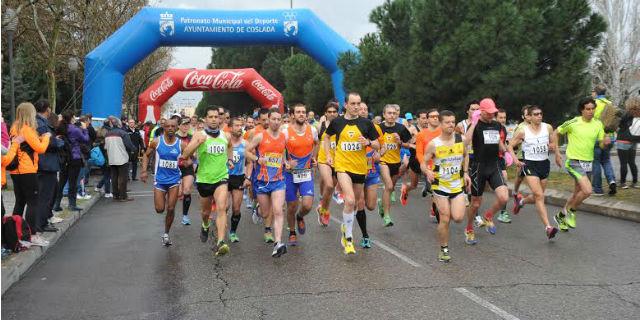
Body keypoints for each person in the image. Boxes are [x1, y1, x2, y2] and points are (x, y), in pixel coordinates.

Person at [324, 92, 380, 255]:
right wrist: (328, 155)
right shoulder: (337, 122)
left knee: (355, 203)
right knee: (349, 200)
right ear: (346, 105)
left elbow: (377, 144)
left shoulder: (366, 123)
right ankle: (348, 239)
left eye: (358, 103)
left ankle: (345, 227)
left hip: (360, 168)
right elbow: (326, 138)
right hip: (342, 166)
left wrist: (368, 142)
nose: (356, 107)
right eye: (353, 104)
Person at [183, 107, 233, 256]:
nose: (213, 119)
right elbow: (185, 154)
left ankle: (221, 242)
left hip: (221, 177)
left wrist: (229, 159)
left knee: (222, 208)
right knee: (205, 212)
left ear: (220, 119)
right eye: (210, 117)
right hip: (204, 179)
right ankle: (205, 225)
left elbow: (229, 147)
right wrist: (197, 143)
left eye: (216, 117)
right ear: (205, 119)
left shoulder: (226, 136)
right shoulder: (199, 134)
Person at [421, 110, 471, 262]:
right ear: (441, 124)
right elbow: (423, 162)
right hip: (440, 186)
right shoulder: (434, 144)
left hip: (457, 185)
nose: (451, 125)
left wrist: (466, 172)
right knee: (445, 218)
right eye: (447, 122)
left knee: (458, 218)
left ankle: (446, 209)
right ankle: (444, 249)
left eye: (453, 122)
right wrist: (428, 172)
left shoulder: (460, 140)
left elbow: (466, 154)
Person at [554, 97, 609, 231]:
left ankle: (561, 216)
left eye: (593, 109)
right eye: (588, 109)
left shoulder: (598, 124)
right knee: (588, 190)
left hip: (588, 162)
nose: (591, 111)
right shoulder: (574, 122)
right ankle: (572, 212)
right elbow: (556, 132)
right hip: (573, 162)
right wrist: (556, 153)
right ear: (581, 110)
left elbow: (601, 144)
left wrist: (605, 142)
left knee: (577, 194)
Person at [507, 105, 560, 239]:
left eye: (540, 114)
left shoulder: (547, 127)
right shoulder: (523, 131)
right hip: (530, 164)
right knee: (539, 195)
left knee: (538, 196)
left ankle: (521, 202)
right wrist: (515, 160)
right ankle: (548, 227)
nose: (539, 116)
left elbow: (553, 141)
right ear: (529, 117)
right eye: (536, 114)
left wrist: (556, 151)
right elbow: (509, 146)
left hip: (544, 164)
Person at [245, 108, 288, 257]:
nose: (276, 122)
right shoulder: (260, 136)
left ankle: (278, 243)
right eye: (273, 119)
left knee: (278, 210)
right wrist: (257, 159)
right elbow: (246, 151)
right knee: (266, 213)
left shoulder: (283, 137)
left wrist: (286, 162)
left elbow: (282, 153)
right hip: (262, 180)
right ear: (268, 120)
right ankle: (257, 210)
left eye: (279, 119)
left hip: (278, 180)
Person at [465, 98, 509, 242]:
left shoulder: (496, 125)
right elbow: (466, 141)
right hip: (479, 167)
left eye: (493, 112)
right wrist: (474, 122)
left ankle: (488, 216)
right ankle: (469, 228)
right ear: (481, 111)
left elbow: (498, 141)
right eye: (488, 113)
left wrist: (506, 151)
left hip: (494, 165)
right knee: (476, 203)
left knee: (504, 197)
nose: (491, 115)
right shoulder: (475, 125)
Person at [9, 103, 51, 247]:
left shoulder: (14, 127)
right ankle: (32, 235)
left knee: (20, 202)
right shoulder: (27, 129)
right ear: (30, 113)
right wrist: (46, 137)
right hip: (27, 170)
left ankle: (15, 233)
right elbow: (40, 148)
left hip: (15, 171)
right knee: (33, 202)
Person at [141, 118, 186, 246]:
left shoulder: (181, 144)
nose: (170, 128)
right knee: (160, 209)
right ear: (164, 128)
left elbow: (190, 159)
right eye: (168, 126)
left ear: (177, 128)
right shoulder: (156, 142)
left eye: (173, 126)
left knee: (171, 208)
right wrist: (144, 171)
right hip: (160, 180)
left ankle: (166, 234)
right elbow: (146, 155)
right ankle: (162, 202)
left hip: (174, 180)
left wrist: (187, 162)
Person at [284, 103, 318, 246]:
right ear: (292, 115)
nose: (301, 114)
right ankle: (292, 232)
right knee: (291, 206)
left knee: (307, 205)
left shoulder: (313, 130)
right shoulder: (285, 131)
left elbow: (317, 143)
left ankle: (300, 216)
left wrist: (314, 158)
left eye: (303, 112)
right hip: (289, 174)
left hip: (306, 172)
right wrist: (285, 161)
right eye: (298, 112)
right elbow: (277, 148)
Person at [377, 104, 412, 227]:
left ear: (396, 115)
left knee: (390, 188)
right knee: (389, 185)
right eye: (389, 113)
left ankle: (381, 203)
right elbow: (371, 143)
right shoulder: (378, 128)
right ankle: (387, 216)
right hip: (383, 161)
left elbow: (410, 143)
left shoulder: (401, 128)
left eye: (394, 113)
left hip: (396, 162)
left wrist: (400, 142)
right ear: (384, 115)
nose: (392, 115)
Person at [35, 99, 64, 233]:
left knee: (51, 192)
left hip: (47, 163)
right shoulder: (41, 124)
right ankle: (41, 223)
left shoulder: (40, 122)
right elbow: (48, 143)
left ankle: (44, 219)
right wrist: (58, 142)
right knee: (45, 195)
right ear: (47, 109)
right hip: (46, 163)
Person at [356, 102, 383, 248]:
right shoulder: (350, 128)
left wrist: (379, 154)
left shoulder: (375, 127)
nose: (363, 111)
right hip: (357, 173)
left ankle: (378, 203)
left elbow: (381, 146)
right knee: (359, 203)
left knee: (370, 206)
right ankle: (365, 235)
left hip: (372, 172)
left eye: (366, 109)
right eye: (361, 109)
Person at [53, 110, 88, 211]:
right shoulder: (75, 129)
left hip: (64, 158)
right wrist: (85, 129)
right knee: (73, 182)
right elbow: (85, 139)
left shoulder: (59, 128)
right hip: (74, 157)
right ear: (72, 118)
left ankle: (56, 204)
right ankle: (72, 204)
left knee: (62, 181)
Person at [413, 108, 442, 222]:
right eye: (432, 116)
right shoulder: (421, 134)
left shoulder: (444, 132)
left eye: (437, 116)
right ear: (428, 119)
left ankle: (435, 207)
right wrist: (424, 166)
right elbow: (419, 153)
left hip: (444, 166)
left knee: (442, 192)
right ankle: (438, 212)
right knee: (436, 192)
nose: (435, 118)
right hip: (429, 167)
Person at [315, 101, 340, 227]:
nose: (332, 114)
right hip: (324, 159)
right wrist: (314, 157)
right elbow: (318, 142)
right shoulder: (322, 126)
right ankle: (323, 209)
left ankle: (323, 208)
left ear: (338, 113)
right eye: (329, 112)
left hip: (338, 161)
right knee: (329, 185)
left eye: (334, 112)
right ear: (325, 113)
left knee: (330, 190)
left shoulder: (342, 125)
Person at [227, 117, 250, 243]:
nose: (239, 128)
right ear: (230, 128)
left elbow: (250, 162)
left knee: (236, 208)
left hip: (238, 177)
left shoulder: (245, 144)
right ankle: (220, 230)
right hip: (224, 176)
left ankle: (233, 232)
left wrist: (248, 177)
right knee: (224, 206)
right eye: (236, 125)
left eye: (241, 125)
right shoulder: (224, 142)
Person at [591, 85, 617, 195]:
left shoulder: (594, 105)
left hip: (598, 137)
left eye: (592, 92)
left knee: (596, 162)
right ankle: (612, 180)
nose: (592, 94)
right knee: (606, 160)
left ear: (596, 93)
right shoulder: (610, 104)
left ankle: (598, 189)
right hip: (610, 137)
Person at [104, 117, 135, 202]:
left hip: (112, 158)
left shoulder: (107, 134)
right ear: (119, 124)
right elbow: (129, 145)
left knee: (114, 177)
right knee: (123, 178)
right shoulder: (123, 133)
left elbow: (106, 147)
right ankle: (123, 196)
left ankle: (115, 195)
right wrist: (133, 149)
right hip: (122, 158)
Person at [616, 97, 640, 188]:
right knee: (632, 162)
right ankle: (635, 182)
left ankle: (623, 183)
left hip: (623, 140)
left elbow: (620, 124)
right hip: (634, 140)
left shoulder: (627, 114)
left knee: (623, 163)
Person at [176, 118, 195, 225]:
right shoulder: (174, 137)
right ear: (178, 126)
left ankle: (185, 216)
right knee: (178, 193)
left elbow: (197, 154)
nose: (185, 126)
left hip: (187, 168)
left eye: (187, 124)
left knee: (186, 190)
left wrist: (191, 160)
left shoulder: (192, 138)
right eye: (183, 124)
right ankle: (170, 210)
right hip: (176, 168)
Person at [495, 109, 511, 224]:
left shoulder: (504, 129)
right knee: (478, 190)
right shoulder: (491, 128)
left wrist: (507, 154)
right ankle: (475, 214)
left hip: (500, 159)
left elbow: (504, 142)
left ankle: (503, 213)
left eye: (504, 118)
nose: (502, 120)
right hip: (489, 160)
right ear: (495, 118)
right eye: (500, 117)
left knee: (505, 182)